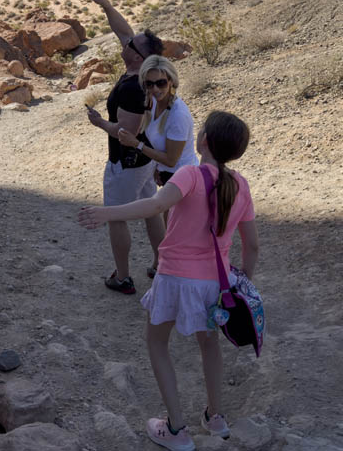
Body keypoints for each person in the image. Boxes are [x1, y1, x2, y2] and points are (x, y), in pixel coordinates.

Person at [78, 111, 259, 451]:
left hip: (175, 277)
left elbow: (155, 205)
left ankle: (176, 428)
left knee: (157, 343)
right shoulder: (240, 185)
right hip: (216, 284)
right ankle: (215, 417)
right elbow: (252, 245)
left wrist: (106, 213)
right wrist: (244, 284)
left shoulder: (190, 175)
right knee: (210, 344)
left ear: (203, 141)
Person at [84, 0, 168, 295]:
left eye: (132, 42)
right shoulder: (144, 72)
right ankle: (161, 264)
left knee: (115, 217)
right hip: (145, 159)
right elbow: (123, 30)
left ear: (136, 56)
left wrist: (99, 123)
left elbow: (126, 133)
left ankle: (122, 276)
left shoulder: (134, 88)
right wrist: (105, 4)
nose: (127, 40)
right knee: (151, 208)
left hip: (127, 162)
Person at [117, 54, 200, 274]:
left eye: (161, 83)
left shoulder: (178, 115)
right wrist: (157, 168)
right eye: (149, 84)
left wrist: (136, 145)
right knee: (170, 231)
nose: (155, 89)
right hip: (171, 177)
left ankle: (173, 275)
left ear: (171, 81)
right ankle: (163, 269)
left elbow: (172, 159)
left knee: (175, 235)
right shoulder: (154, 103)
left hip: (184, 180)